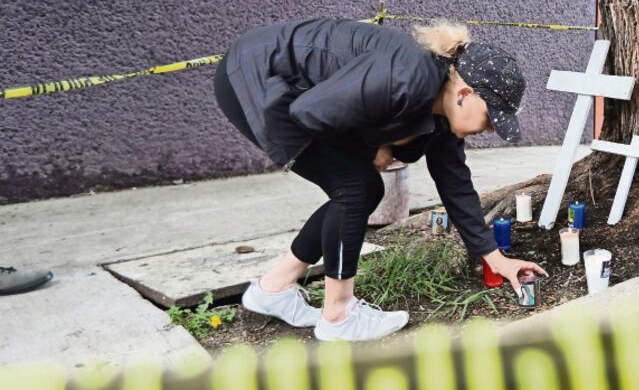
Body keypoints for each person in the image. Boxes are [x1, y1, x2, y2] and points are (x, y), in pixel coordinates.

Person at [213, 18, 546, 342]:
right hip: (256, 76)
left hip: (280, 87)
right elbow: (308, 112)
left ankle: (273, 290)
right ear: (465, 93)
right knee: (356, 187)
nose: (490, 130)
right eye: (491, 118)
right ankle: (338, 315)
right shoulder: (405, 78)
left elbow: (455, 183)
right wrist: (373, 148)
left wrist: (494, 257)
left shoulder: (441, 112)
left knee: (361, 186)